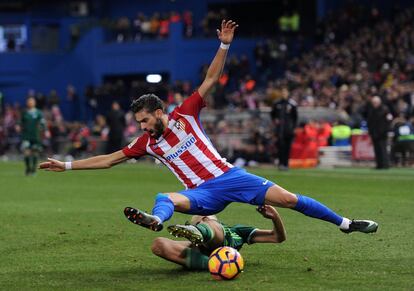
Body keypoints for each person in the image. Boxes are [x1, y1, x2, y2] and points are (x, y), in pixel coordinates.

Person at [39, 20, 378, 236]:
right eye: (139, 123)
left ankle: (346, 224)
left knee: (288, 198)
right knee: (163, 197)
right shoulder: (148, 143)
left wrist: (225, 44)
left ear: (158, 112)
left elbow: (212, 78)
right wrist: (66, 165)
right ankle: (157, 220)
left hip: (230, 176)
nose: (142, 127)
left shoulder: (186, 113)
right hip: (201, 194)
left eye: (145, 120)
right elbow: (109, 159)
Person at [149, 205, 286, 270]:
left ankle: (200, 233)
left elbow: (277, 237)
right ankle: (212, 264)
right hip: (202, 249)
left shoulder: (237, 231)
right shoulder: (200, 235)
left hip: (224, 245)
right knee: (158, 244)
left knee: (209, 225)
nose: (204, 217)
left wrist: (275, 217)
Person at [17, 97, 46, 175]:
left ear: (34, 103)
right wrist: (18, 126)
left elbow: (43, 122)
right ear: (27, 103)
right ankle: (28, 168)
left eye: (31, 101)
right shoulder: (24, 112)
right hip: (26, 136)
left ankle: (33, 169)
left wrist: (46, 130)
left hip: (36, 136)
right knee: (26, 153)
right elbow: (19, 121)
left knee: (35, 152)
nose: (30, 103)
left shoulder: (38, 112)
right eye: (29, 101)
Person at [271, 87, 298, 170]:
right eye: (282, 92)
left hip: (288, 129)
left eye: (285, 92)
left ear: (288, 93)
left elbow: (295, 117)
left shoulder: (292, 104)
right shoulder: (277, 103)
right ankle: (280, 164)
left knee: (287, 147)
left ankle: (286, 164)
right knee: (280, 147)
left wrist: (293, 128)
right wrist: (275, 120)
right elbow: (272, 114)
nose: (284, 94)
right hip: (279, 129)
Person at [362, 96, 392, 169]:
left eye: (375, 102)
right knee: (377, 149)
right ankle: (379, 164)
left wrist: (386, 130)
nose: (374, 104)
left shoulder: (385, 109)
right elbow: (369, 121)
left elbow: (388, 121)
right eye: (373, 103)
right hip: (374, 133)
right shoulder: (372, 110)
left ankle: (385, 165)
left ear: (379, 102)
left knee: (383, 149)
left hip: (382, 133)